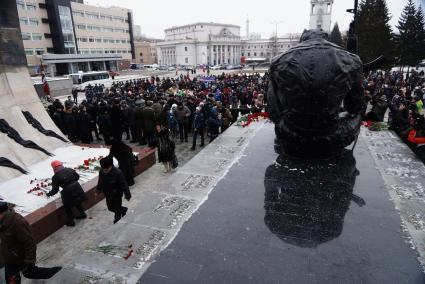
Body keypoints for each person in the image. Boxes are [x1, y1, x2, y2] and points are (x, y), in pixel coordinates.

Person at [0, 202, 62, 283]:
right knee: (12, 280)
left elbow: (30, 242)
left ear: (2, 213)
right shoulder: (2, 220)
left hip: (20, 258)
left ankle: (59, 271)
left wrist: (29, 261)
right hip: (10, 259)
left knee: (30, 273)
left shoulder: (17, 223)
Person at [46, 160, 87, 227]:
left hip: (68, 192)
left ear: (53, 168)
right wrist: (72, 182)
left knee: (67, 206)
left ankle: (71, 221)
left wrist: (49, 194)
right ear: (61, 164)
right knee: (77, 201)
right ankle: (82, 214)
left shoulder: (55, 177)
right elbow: (77, 177)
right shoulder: (69, 169)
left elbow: (55, 190)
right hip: (77, 187)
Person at [96, 157, 131, 224]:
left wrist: (127, 195)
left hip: (116, 194)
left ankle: (117, 221)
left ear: (111, 166)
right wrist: (98, 190)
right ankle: (123, 210)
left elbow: (124, 185)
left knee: (117, 210)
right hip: (107, 193)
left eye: (106, 169)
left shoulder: (118, 173)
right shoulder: (102, 171)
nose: (105, 170)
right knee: (110, 208)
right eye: (103, 169)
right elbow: (100, 181)